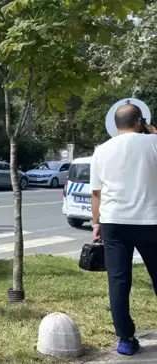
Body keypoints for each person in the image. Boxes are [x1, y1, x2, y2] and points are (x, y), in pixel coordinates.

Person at [90, 103, 157, 356]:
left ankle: (126, 339)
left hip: (114, 223)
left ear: (115, 125)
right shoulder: (153, 144)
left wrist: (96, 224)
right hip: (151, 220)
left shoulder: (102, 150)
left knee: (118, 281)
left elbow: (96, 193)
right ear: (140, 121)